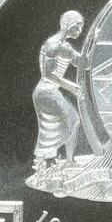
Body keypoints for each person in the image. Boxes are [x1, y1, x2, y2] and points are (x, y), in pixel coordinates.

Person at [32, 11, 85, 166]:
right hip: (45, 91)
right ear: (68, 24)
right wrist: (71, 87)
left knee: (53, 128)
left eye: (82, 27)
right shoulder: (52, 44)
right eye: (77, 26)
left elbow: (83, 62)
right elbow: (48, 75)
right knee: (70, 121)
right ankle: (65, 161)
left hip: (50, 91)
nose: (80, 30)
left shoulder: (65, 46)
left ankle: (48, 163)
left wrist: (94, 42)